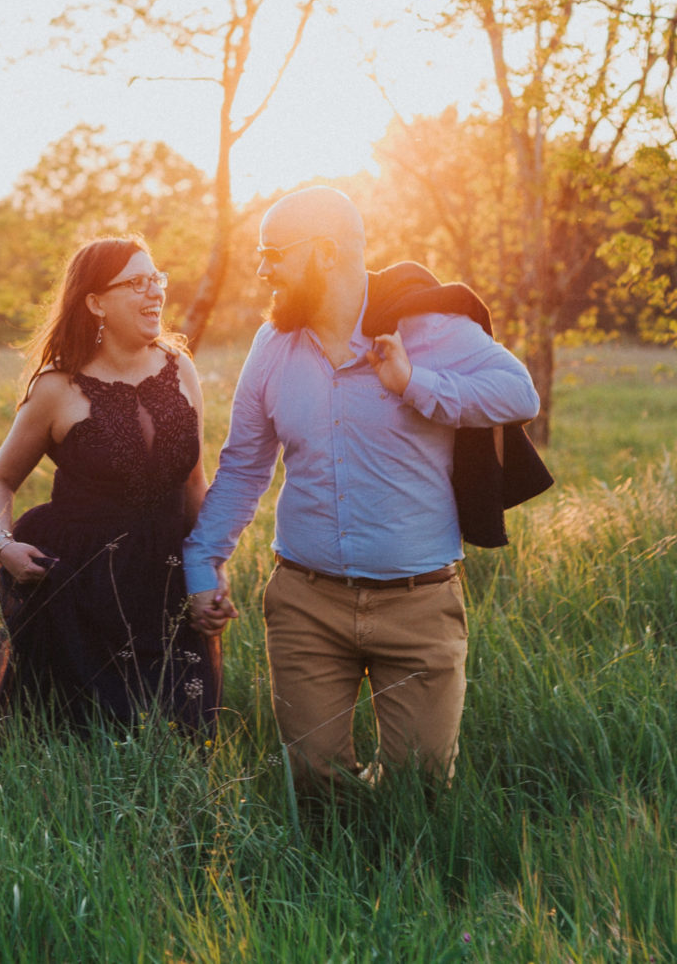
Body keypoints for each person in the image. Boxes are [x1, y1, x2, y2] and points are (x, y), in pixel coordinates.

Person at [183, 186, 537, 791]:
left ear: (323, 252)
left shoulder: (429, 328)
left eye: (274, 252)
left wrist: (413, 381)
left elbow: (518, 393)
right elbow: (244, 464)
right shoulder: (272, 347)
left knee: (418, 790)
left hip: (418, 603)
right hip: (305, 603)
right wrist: (202, 562)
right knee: (314, 786)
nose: (262, 268)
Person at [0, 235, 222, 732]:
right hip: (81, 585)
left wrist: (208, 570)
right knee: (91, 737)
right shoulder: (57, 388)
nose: (155, 293)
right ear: (96, 302)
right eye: (136, 283)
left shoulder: (181, 368)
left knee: (185, 732)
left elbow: (193, 482)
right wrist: (3, 544)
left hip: (166, 575)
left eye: (156, 279)